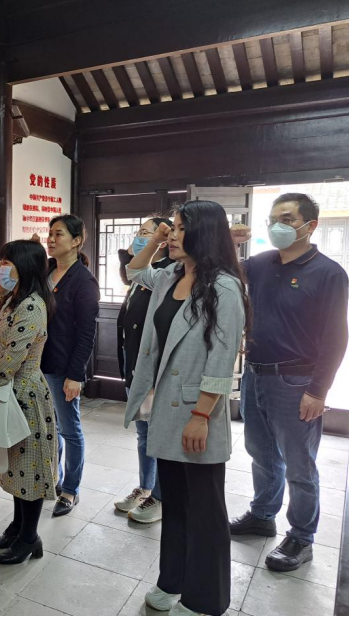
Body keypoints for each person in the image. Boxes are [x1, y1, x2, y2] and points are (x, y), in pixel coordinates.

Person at [125, 201, 250, 616]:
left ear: (204, 233)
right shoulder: (170, 275)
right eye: (172, 228)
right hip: (167, 407)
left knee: (205, 509)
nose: (173, 235)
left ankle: (206, 598)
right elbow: (133, 271)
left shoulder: (224, 287)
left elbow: (222, 358)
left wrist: (201, 416)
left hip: (198, 412)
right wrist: (156, 241)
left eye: (180, 228)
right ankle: (172, 580)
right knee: (175, 503)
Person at [229, 193, 349, 572]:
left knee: (299, 464)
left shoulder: (329, 273)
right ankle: (262, 514)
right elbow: (220, 274)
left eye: (287, 218)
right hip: (255, 373)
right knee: (260, 452)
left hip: (297, 380)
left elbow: (336, 337)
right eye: (272, 219)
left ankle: (301, 536)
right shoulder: (260, 264)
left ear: (310, 225)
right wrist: (228, 241)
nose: (276, 225)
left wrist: (318, 390)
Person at [0, 240, 58, 564]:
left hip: (24, 393)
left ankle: (30, 538)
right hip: (9, 389)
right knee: (16, 467)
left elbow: (12, 359)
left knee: (29, 469)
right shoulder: (14, 299)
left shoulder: (31, 306)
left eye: (7, 262)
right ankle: (18, 527)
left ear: (25, 267)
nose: (1, 268)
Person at [39, 215, 100, 517]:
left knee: (69, 429)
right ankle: (54, 479)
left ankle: (70, 490)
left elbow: (87, 333)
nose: (51, 239)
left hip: (64, 367)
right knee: (50, 428)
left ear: (76, 241)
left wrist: (76, 375)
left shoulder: (83, 281)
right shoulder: (46, 272)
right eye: (50, 233)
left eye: (58, 234)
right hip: (40, 363)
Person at [115, 216, 174, 524]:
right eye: (139, 232)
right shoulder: (144, 274)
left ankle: (161, 496)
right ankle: (145, 487)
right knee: (143, 433)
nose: (140, 237)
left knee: (157, 433)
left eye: (146, 233)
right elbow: (129, 268)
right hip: (134, 362)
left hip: (153, 366)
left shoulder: (168, 273)